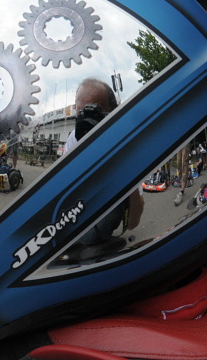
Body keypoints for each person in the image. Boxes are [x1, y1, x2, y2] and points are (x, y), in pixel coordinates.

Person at [61, 78, 144, 241]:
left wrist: (124, 170)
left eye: (94, 113)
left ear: (112, 114)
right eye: (81, 113)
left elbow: (133, 222)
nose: (87, 122)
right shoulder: (74, 138)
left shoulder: (124, 145)